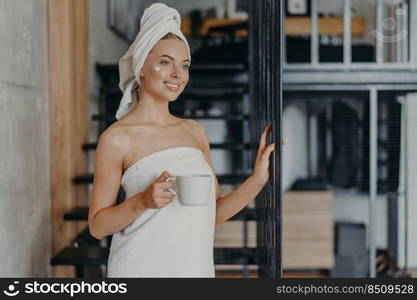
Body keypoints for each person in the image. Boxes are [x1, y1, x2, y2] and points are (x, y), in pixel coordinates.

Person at [88, 3, 275, 278]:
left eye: (184, 65)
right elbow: (97, 225)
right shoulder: (117, 138)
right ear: (141, 67)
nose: (178, 74)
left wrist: (257, 179)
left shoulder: (194, 131)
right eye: (165, 62)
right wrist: (142, 202)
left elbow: (213, 213)